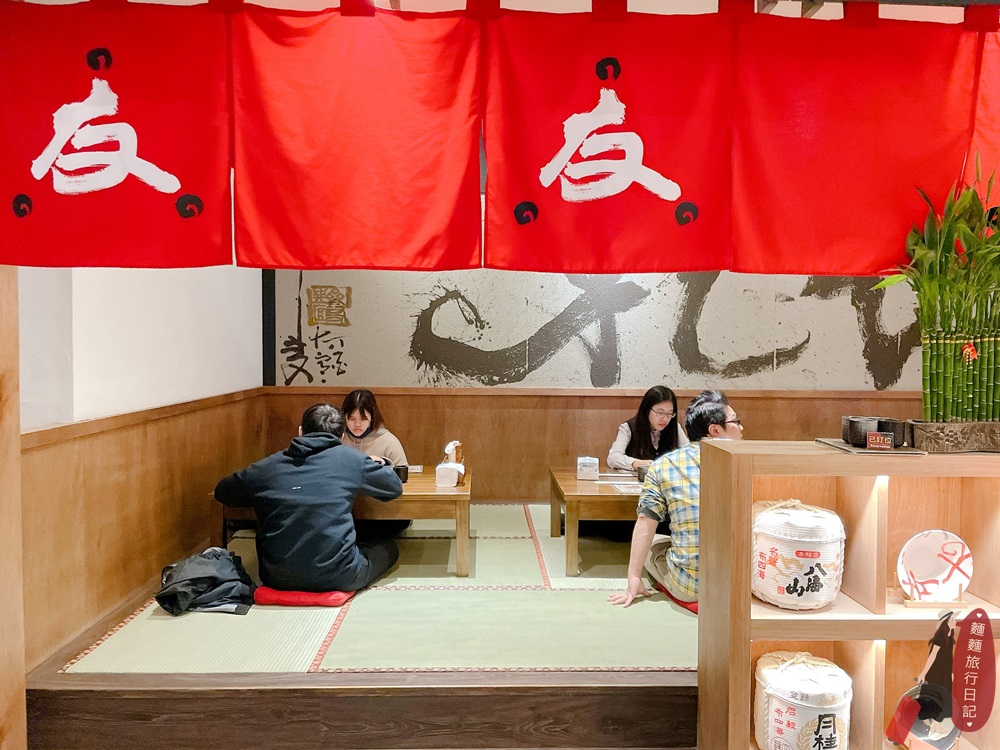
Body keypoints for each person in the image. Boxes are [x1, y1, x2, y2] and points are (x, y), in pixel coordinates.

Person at [214, 403, 402, 592]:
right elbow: (393, 487)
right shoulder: (352, 459)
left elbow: (223, 492)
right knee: (388, 548)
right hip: (339, 576)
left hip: (276, 577)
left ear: (300, 431)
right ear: (342, 436)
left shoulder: (268, 466)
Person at [608, 390, 743, 610]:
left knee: (655, 544)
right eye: (736, 422)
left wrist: (633, 577)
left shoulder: (665, 460)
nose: (741, 427)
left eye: (669, 413)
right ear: (715, 430)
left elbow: (645, 521)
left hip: (691, 587)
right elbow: (614, 456)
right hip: (745, 583)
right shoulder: (629, 427)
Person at [607, 385, 689, 472]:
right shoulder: (628, 428)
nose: (665, 419)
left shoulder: (675, 427)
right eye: (660, 413)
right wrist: (635, 463)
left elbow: (690, 454)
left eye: (669, 413)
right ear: (647, 409)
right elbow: (613, 458)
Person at [341, 389, 408, 467]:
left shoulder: (388, 441)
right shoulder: (338, 439)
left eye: (363, 419)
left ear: (372, 417)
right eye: (352, 419)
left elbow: (402, 471)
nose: (357, 424)